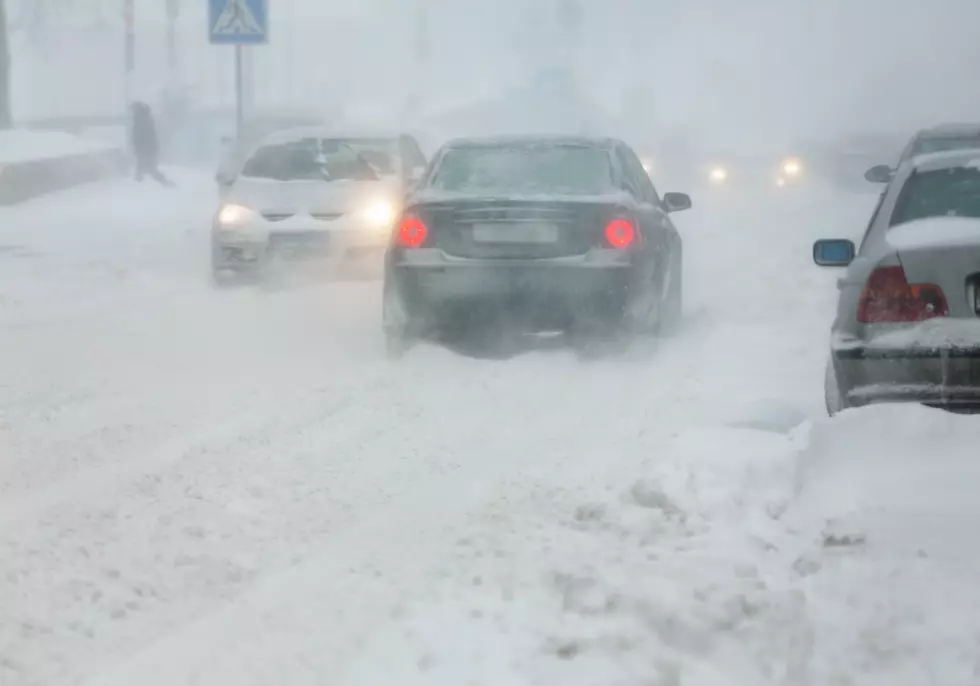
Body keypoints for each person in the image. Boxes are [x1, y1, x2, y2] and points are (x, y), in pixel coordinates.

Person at [130, 101, 174, 187]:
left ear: (137, 109)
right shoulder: (141, 119)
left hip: (146, 151)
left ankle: (166, 183)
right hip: (144, 150)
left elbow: (147, 137)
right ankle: (137, 187)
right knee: (143, 170)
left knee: (150, 170)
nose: (132, 112)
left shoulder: (143, 120)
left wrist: (143, 151)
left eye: (133, 109)